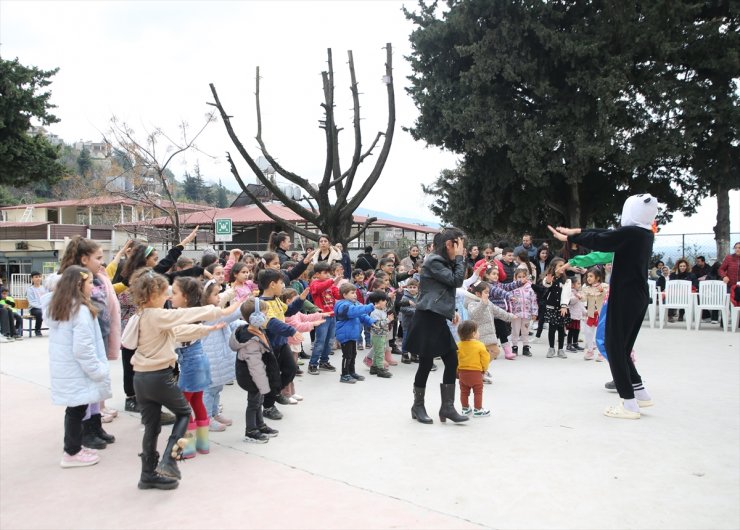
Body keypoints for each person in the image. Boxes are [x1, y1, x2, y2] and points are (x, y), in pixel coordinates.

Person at [548, 193, 658, 419]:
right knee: (622, 347)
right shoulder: (644, 234)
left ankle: (629, 405)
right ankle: (640, 393)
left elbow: (603, 239)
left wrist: (573, 236)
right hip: (636, 296)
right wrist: (576, 233)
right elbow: (607, 235)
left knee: (613, 346)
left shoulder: (633, 233)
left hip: (626, 296)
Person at [127, 268, 237, 489]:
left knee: (152, 426)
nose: (167, 297)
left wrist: (205, 330)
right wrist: (216, 311)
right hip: (158, 377)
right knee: (185, 413)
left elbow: (177, 332)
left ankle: (147, 474)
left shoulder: (141, 316)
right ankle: (169, 459)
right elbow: (184, 316)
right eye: (163, 293)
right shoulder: (157, 315)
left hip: (140, 379)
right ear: (151, 296)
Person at [47, 266, 111, 468]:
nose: (93, 286)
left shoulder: (63, 307)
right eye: (90, 282)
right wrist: (98, 371)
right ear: (78, 285)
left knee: (75, 410)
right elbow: (83, 349)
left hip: (68, 370)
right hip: (79, 371)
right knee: (76, 411)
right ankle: (71, 452)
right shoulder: (81, 311)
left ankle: (74, 448)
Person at [405, 228, 469, 425]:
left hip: (436, 316)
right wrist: (459, 259)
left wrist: (451, 311)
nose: (462, 249)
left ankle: (447, 407)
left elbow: (444, 289)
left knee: (451, 360)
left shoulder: (443, 262)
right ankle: (418, 406)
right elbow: (456, 281)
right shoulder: (434, 261)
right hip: (427, 317)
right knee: (426, 363)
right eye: (459, 245)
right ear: (449, 245)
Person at [231, 298, 281, 444]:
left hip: (258, 375)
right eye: (264, 313)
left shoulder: (257, 331)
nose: (266, 316)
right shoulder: (250, 340)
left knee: (258, 400)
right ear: (255, 317)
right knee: (253, 403)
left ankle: (260, 425)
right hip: (252, 377)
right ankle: (251, 431)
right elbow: (255, 366)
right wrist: (264, 385)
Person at [257, 268, 304, 418]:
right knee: (272, 376)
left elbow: (288, 311)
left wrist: (301, 299)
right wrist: (292, 331)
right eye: (281, 282)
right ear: (272, 284)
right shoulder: (261, 304)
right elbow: (271, 323)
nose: (283, 285)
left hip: (282, 343)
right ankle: (268, 406)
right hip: (269, 346)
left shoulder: (276, 299)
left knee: (290, 369)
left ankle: (275, 392)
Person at [200, 279, 244, 432]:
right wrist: (243, 305)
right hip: (210, 357)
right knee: (208, 390)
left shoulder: (215, 310)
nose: (219, 297)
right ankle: (206, 418)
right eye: (215, 294)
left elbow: (230, 323)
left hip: (218, 356)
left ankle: (214, 413)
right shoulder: (207, 312)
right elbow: (229, 316)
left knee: (216, 388)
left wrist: (244, 324)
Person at [334, 283, 375, 384]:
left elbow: (362, 315)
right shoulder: (342, 305)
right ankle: (344, 375)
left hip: (352, 334)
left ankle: (351, 372)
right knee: (347, 355)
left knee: (353, 354)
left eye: (355, 293)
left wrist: (371, 322)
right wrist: (369, 307)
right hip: (345, 334)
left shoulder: (354, 304)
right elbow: (353, 312)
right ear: (344, 295)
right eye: (352, 293)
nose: (355, 295)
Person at [307, 262, 340, 375]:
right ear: (317, 274)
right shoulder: (314, 283)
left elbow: (337, 295)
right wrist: (332, 280)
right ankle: (313, 364)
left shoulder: (330, 284)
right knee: (320, 341)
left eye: (328, 273)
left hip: (332, 316)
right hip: (322, 317)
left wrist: (336, 284)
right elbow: (321, 287)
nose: (327, 275)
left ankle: (324, 362)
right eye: (325, 273)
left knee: (329, 341)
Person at [456, 320, 491, 417]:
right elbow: (485, 358)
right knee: (478, 392)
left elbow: (456, 360)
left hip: (462, 373)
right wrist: (484, 369)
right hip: (475, 373)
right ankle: (478, 409)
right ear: (473, 333)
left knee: (464, 392)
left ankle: (465, 409)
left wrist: (457, 370)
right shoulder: (479, 345)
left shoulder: (458, 345)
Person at [541, 257, 571, 359]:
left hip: (561, 308)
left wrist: (564, 306)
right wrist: (549, 281)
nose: (562, 267)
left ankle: (561, 349)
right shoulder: (549, 277)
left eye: (563, 265)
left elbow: (566, 295)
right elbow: (545, 284)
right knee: (552, 328)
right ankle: (551, 348)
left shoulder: (567, 281)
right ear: (554, 267)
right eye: (560, 265)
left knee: (561, 329)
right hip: (551, 307)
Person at [580, 267, 608, 361]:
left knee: (600, 333)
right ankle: (590, 350)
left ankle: (601, 353)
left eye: (591, 276)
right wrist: (580, 296)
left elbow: (607, 296)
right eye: (588, 276)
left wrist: (602, 291)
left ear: (598, 278)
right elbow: (584, 298)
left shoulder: (604, 286)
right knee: (588, 332)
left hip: (602, 313)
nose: (588, 278)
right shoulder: (586, 288)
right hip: (591, 313)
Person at [509, 269, 538, 357]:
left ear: (527, 277)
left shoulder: (530, 289)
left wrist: (534, 313)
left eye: (523, 276)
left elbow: (533, 301)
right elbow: (509, 301)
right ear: (515, 278)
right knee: (515, 331)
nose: (521, 279)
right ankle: (514, 347)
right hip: (516, 315)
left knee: (525, 331)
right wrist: (510, 313)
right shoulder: (512, 288)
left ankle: (526, 348)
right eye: (519, 277)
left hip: (527, 314)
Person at [367, 290, 393, 378]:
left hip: (382, 335)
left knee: (378, 351)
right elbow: (377, 325)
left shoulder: (382, 310)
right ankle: (380, 369)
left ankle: (374, 367)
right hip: (377, 335)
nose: (386, 302)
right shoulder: (375, 313)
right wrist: (388, 320)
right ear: (377, 302)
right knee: (380, 353)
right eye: (384, 300)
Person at [566, 275, 585, 353]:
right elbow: (570, 301)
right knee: (571, 330)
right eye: (578, 283)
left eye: (580, 283)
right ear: (572, 285)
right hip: (572, 315)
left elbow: (581, 304)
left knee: (577, 330)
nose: (579, 285)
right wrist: (577, 297)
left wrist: (585, 312)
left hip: (578, 315)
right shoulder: (570, 292)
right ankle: (569, 344)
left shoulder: (578, 293)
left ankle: (575, 343)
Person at [26, 271, 48, 336]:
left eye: (39, 277)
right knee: (40, 313)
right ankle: (37, 329)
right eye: (36, 277)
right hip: (34, 308)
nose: (38, 278)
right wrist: (41, 307)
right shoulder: (30, 289)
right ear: (32, 279)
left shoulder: (44, 288)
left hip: (44, 307)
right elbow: (32, 302)